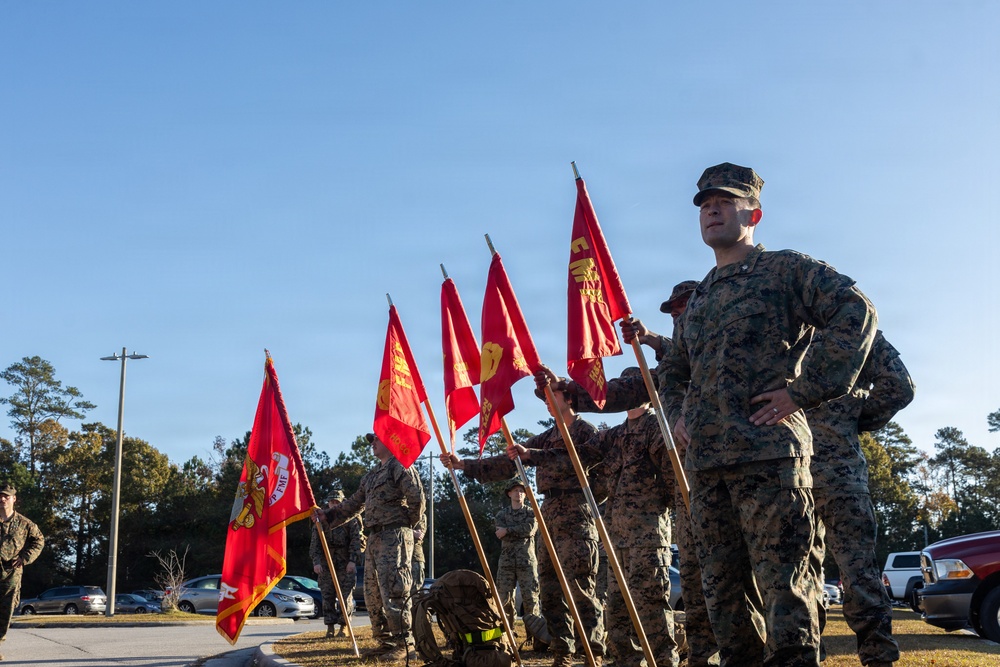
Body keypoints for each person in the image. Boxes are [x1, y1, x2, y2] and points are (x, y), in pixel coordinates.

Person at [648, 162, 878, 667]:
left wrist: (804, 391)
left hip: (770, 459)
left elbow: (855, 311)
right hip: (708, 470)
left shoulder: (785, 270)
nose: (711, 209)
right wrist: (677, 416)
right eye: (705, 204)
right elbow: (674, 370)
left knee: (786, 597)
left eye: (724, 202)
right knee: (725, 604)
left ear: (753, 212)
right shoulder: (702, 295)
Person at [441, 388, 604, 667]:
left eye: (552, 396)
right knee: (550, 590)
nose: (547, 404)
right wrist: (464, 465)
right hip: (549, 515)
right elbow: (509, 463)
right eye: (543, 399)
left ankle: (593, 653)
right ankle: (562, 652)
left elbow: (574, 460)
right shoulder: (548, 435)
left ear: (568, 399)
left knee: (580, 588)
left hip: (576, 514)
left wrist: (534, 455)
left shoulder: (584, 431)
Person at [806, 330, 914, 667]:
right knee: (858, 574)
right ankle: (878, 659)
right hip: (837, 475)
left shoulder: (780, 326)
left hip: (789, 473)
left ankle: (807, 656)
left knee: (796, 578)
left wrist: (853, 418)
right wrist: (850, 419)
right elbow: (899, 385)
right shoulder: (853, 329)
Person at [573, 366, 680, 667]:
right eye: (626, 389)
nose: (632, 397)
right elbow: (575, 453)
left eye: (638, 390)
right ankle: (626, 662)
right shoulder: (614, 436)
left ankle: (664, 661)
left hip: (648, 538)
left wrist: (661, 512)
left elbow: (673, 481)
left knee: (652, 605)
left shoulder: (658, 430)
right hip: (615, 537)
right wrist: (529, 454)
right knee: (618, 609)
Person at [314, 434, 425, 661]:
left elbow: (417, 498)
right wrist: (327, 516)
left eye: (377, 439)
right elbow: (354, 504)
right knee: (373, 594)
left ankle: (405, 643)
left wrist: (405, 526)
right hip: (374, 538)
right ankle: (386, 642)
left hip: (395, 535)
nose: (372, 443)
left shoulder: (399, 466)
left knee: (395, 589)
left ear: (390, 441)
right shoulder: (371, 476)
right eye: (371, 440)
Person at [309, 488, 364, 638]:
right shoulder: (320, 520)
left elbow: (356, 541)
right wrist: (316, 562)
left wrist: (353, 560)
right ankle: (330, 627)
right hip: (327, 564)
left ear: (342, 502)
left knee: (345, 597)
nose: (334, 504)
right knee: (327, 595)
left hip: (345, 562)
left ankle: (344, 626)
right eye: (332, 502)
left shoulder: (350, 519)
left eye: (337, 502)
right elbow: (315, 544)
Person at [0, 483, 44, 661]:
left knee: (5, 611)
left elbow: (39, 541)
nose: (2, 499)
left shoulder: (25, 524)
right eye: (0, 496)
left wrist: (25, 558)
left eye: (6, 496)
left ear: (13, 499)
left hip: (11, 574)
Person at [494, 479, 540, 631]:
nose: (518, 493)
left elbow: (530, 529)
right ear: (509, 493)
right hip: (506, 562)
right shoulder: (502, 514)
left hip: (526, 561)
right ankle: (508, 634)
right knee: (504, 599)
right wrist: (510, 531)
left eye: (521, 491)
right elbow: (499, 533)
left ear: (525, 495)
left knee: (531, 598)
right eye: (515, 490)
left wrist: (508, 530)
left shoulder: (531, 512)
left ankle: (535, 636)